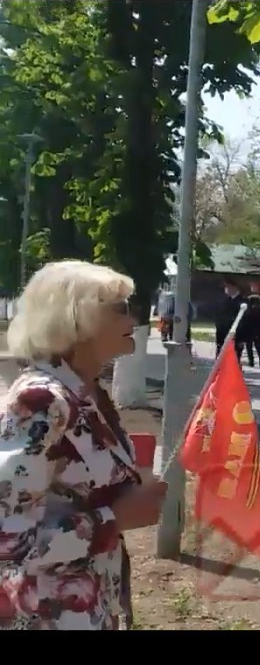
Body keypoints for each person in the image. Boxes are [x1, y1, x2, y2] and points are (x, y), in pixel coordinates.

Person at [0, 260, 169, 630]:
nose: (135, 318)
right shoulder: (42, 401)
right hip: (46, 615)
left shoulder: (88, 394)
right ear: (77, 319)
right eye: (121, 308)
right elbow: (8, 539)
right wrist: (115, 518)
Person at [236, 294, 260, 367]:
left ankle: (251, 361)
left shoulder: (248, 311)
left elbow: (244, 321)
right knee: (258, 345)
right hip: (259, 330)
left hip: (249, 330)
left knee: (249, 346)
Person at [214, 278, 245, 352]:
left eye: (227, 286)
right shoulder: (226, 300)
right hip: (222, 336)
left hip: (235, 336)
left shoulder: (242, 301)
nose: (226, 289)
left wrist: (241, 339)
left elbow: (244, 321)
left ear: (234, 287)